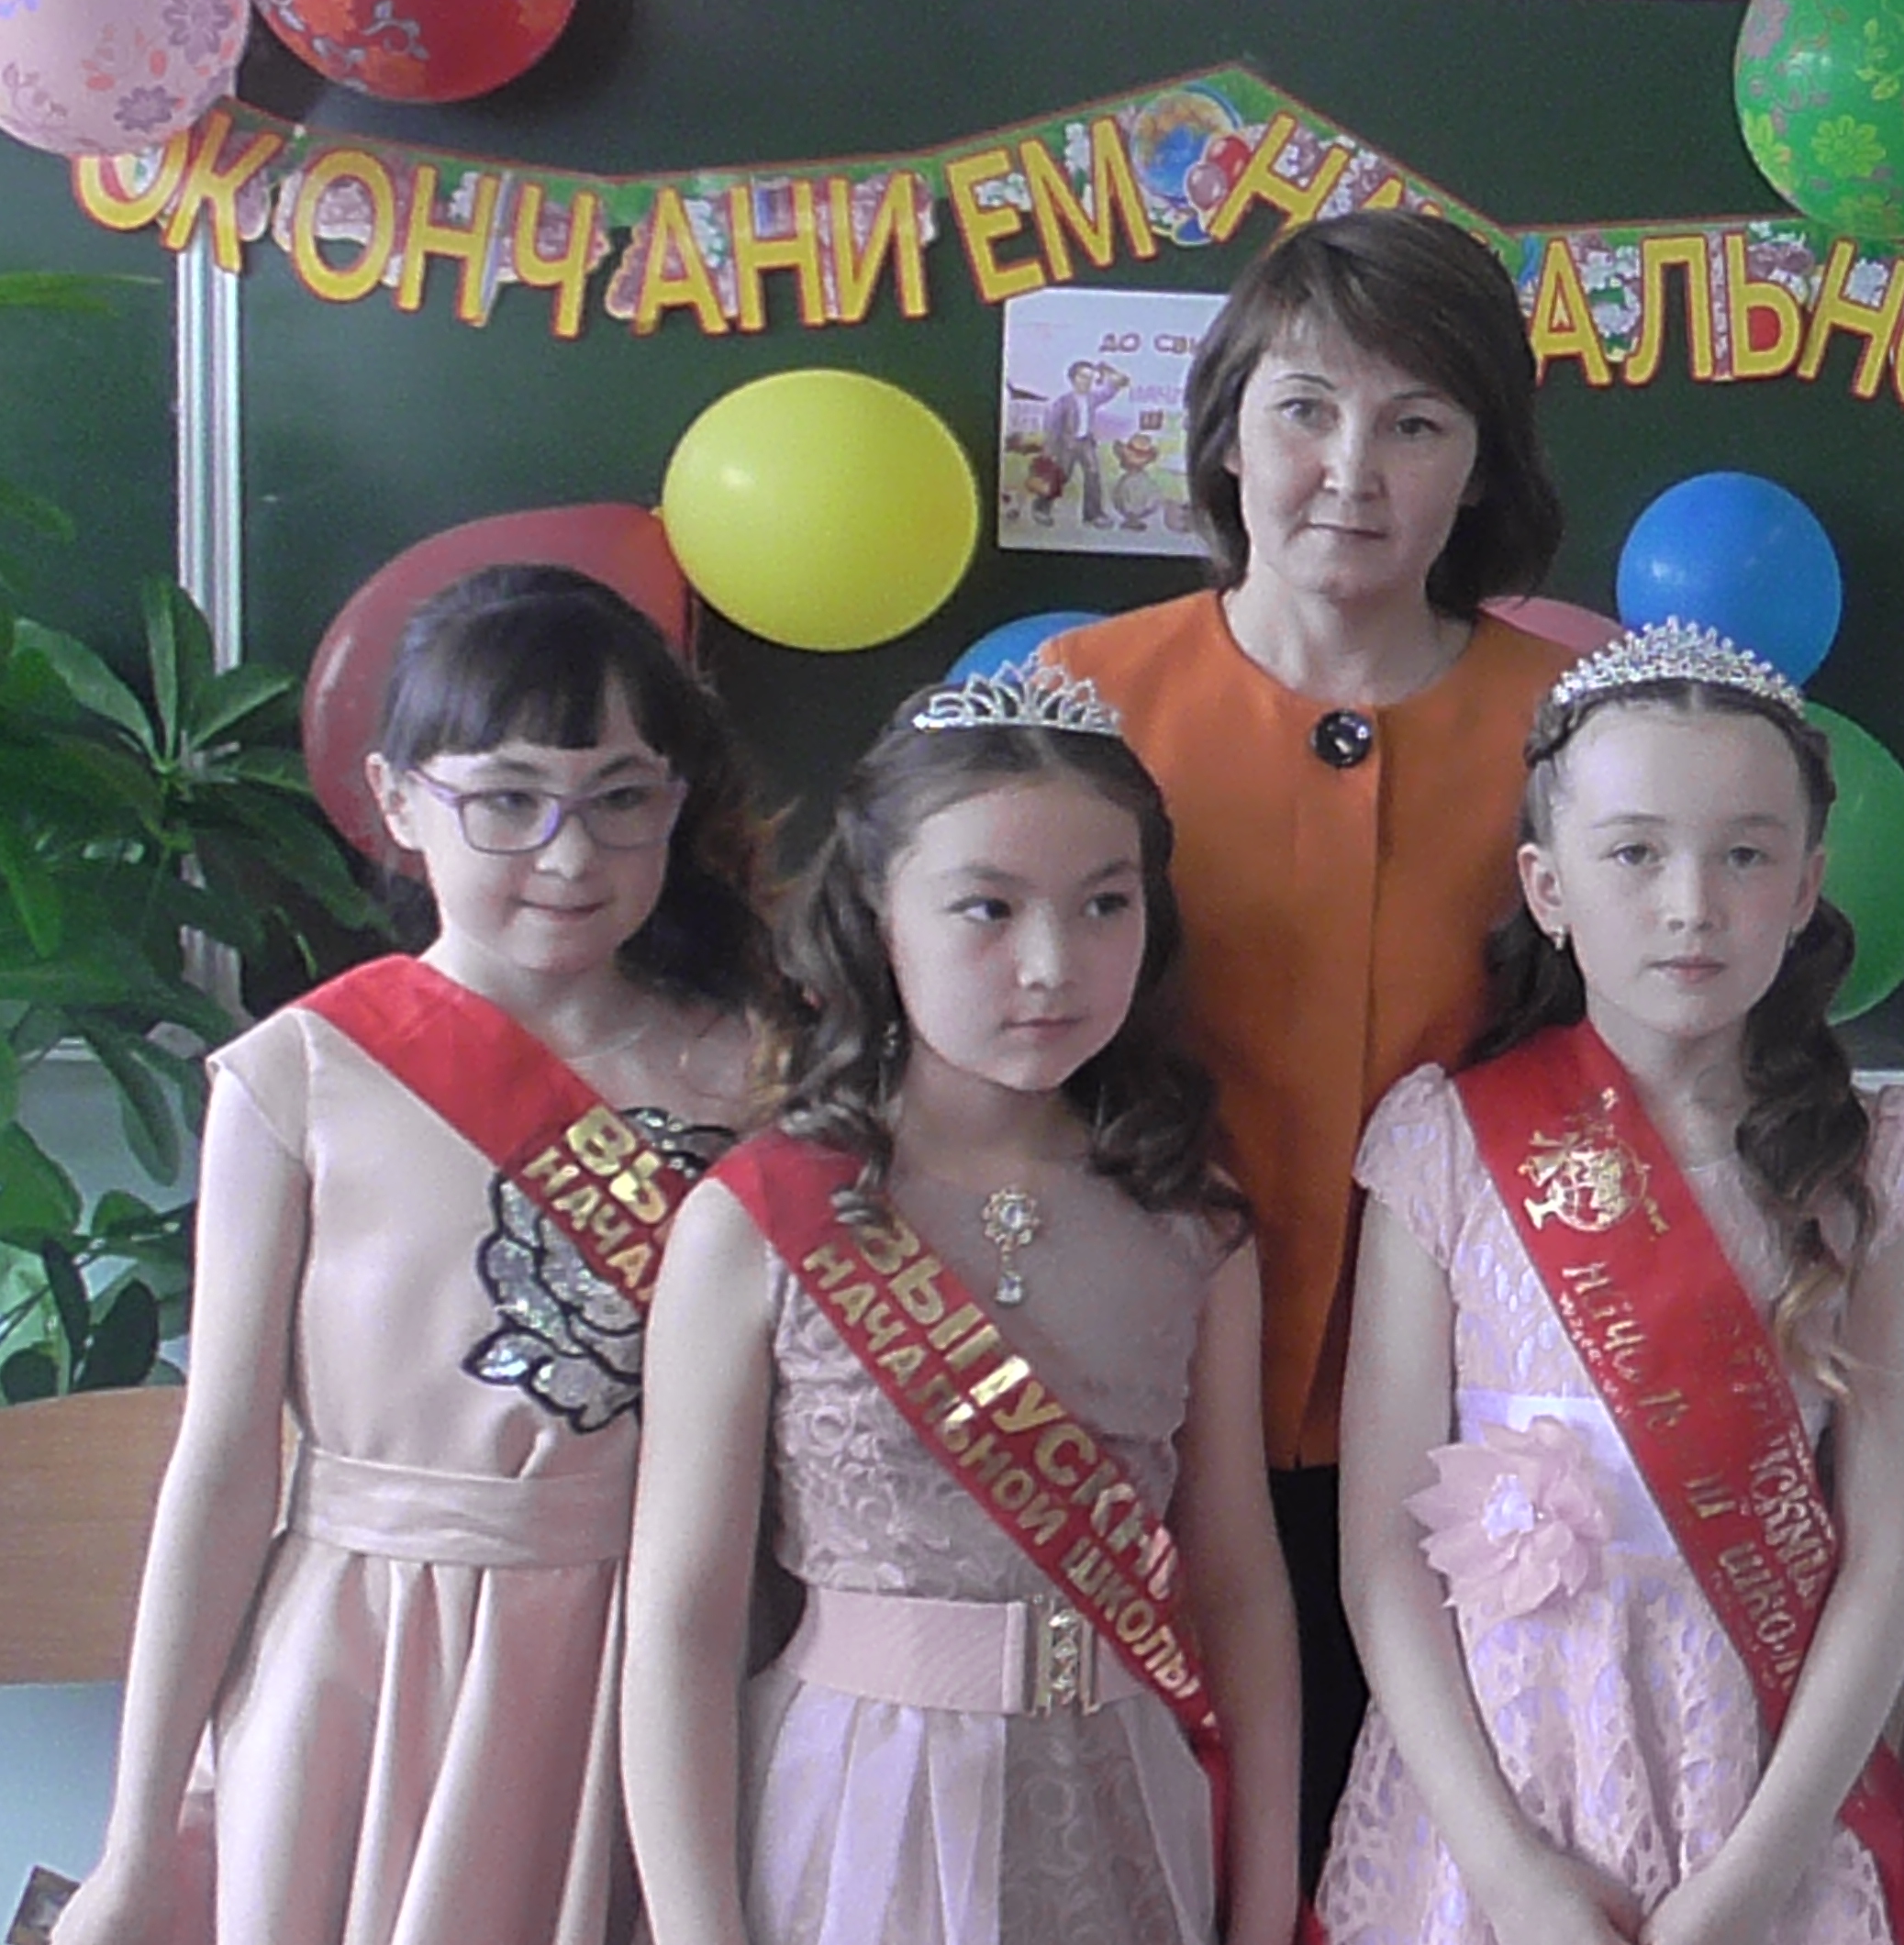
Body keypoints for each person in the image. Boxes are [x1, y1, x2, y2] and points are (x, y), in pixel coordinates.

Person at [56, 566, 774, 1945]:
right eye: (507, 799)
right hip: (367, 1660)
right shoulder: (299, 1075)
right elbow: (224, 1461)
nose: (568, 856)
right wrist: (135, 1842)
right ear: (396, 800)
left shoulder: (762, 1072)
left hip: (667, 1660)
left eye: (621, 798)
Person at [1041, 207, 1573, 1873]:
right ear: (1224, 435)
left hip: (1473, 1448)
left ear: (1479, 467)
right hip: (1121, 1415)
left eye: (1416, 423)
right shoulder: (1084, 699)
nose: (1353, 470)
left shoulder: (1580, 725)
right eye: (1305, 410)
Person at [1314, 622, 1904, 1945]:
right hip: (1494, 1787)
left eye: (1745, 856)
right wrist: (1504, 1872)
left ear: (1808, 885)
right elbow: (1380, 1553)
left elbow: (1891, 1560)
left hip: (1762, 1788)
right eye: (1634, 854)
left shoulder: (1874, 1164)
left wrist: (1757, 1878)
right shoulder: (1445, 1143)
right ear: (1547, 886)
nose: (1692, 904)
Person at [621, 666, 1300, 1945]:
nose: (1052, 965)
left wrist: (1263, 1905)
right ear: (880, 918)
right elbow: (681, 1623)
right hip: (855, 1801)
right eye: (987, 908)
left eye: (1105, 905)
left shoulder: (1192, 1222)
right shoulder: (759, 1218)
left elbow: (1239, 1585)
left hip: (1125, 1798)